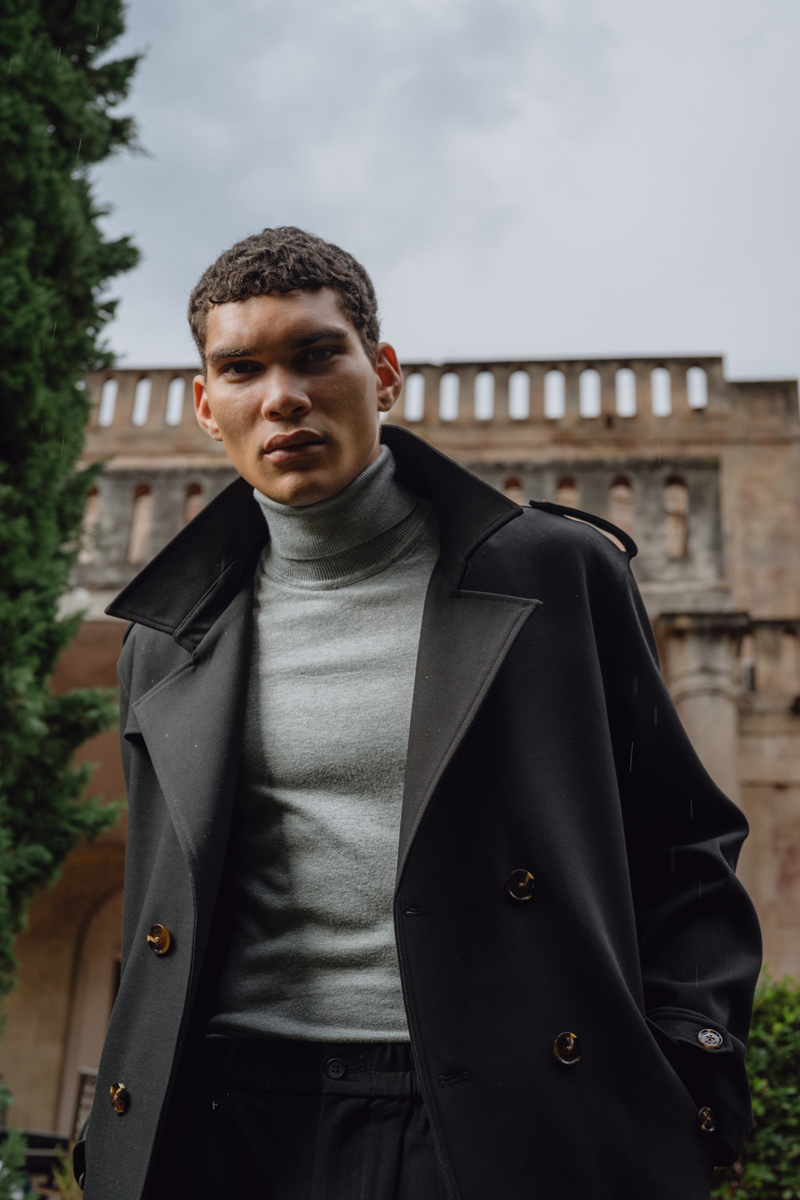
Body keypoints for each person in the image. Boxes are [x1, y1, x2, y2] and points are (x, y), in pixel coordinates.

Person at [76, 227, 761, 1200]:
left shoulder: (554, 575)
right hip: (226, 1121)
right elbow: (163, 904)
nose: (282, 397)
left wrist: (690, 1062)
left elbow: (682, 843)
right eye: (242, 369)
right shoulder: (166, 637)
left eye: (317, 354)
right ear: (205, 406)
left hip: (489, 1113)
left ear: (384, 374)